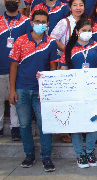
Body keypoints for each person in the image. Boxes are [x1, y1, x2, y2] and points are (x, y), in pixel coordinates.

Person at [8, 9, 58, 172]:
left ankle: (46, 157)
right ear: (31, 23)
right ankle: (29, 155)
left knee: (45, 125)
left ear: (47, 24)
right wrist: (12, 90)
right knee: (24, 124)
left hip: (41, 92)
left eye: (43, 22)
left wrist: (47, 89)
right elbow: (13, 66)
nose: (40, 25)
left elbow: (52, 67)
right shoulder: (20, 41)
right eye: (37, 22)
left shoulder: (51, 42)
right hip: (21, 89)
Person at [59, 18, 97, 168]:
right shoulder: (69, 48)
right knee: (76, 124)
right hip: (75, 92)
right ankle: (80, 153)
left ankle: (89, 151)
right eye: (83, 31)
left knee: (93, 122)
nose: (87, 33)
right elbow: (62, 70)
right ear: (76, 32)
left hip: (93, 91)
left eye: (89, 30)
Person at [0, 0, 29, 140]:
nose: (11, 1)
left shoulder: (26, 22)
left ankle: (15, 128)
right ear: (4, 2)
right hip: (0, 67)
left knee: (14, 100)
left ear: (19, 2)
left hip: (18, 68)